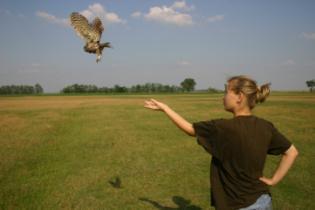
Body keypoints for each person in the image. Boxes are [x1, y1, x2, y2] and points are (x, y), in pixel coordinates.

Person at [144, 75, 298, 210]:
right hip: (263, 201)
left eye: (226, 92)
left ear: (239, 96)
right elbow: (292, 152)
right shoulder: (266, 126)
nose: (223, 97)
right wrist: (273, 180)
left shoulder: (222, 128)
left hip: (236, 205)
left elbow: (190, 129)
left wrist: (165, 108)